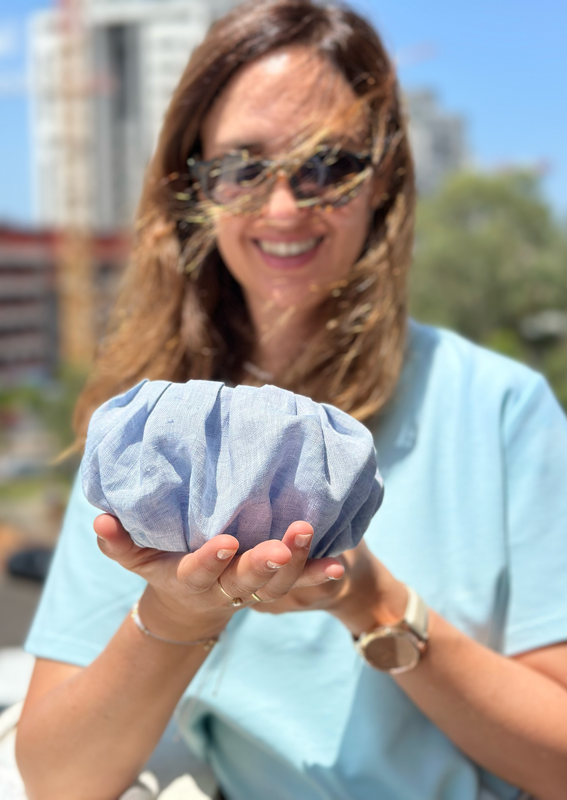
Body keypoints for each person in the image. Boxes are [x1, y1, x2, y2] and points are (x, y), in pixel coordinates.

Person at [15, 2, 567, 799]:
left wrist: (370, 598)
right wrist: (177, 614)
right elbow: (59, 781)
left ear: (384, 179)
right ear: (194, 188)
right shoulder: (147, 438)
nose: (282, 208)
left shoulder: (498, 408)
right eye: (241, 167)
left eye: (326, 165)